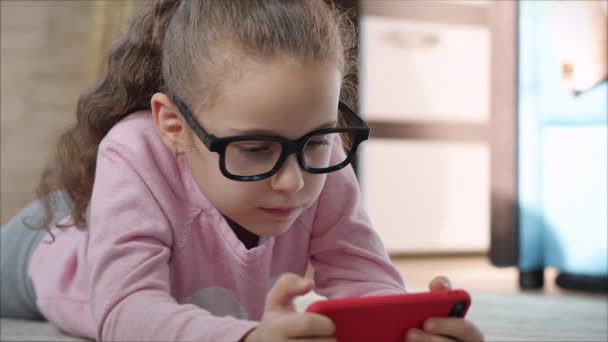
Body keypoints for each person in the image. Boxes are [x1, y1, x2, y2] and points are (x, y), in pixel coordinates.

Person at [0, 1, 484, 341]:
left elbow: (363, 278)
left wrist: (404, 328)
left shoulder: (319, 154)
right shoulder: (135, 151)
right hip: (47, 245)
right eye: (254, 148)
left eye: (316, 140)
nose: (294, 182)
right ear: (173, 125)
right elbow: (125, 313)